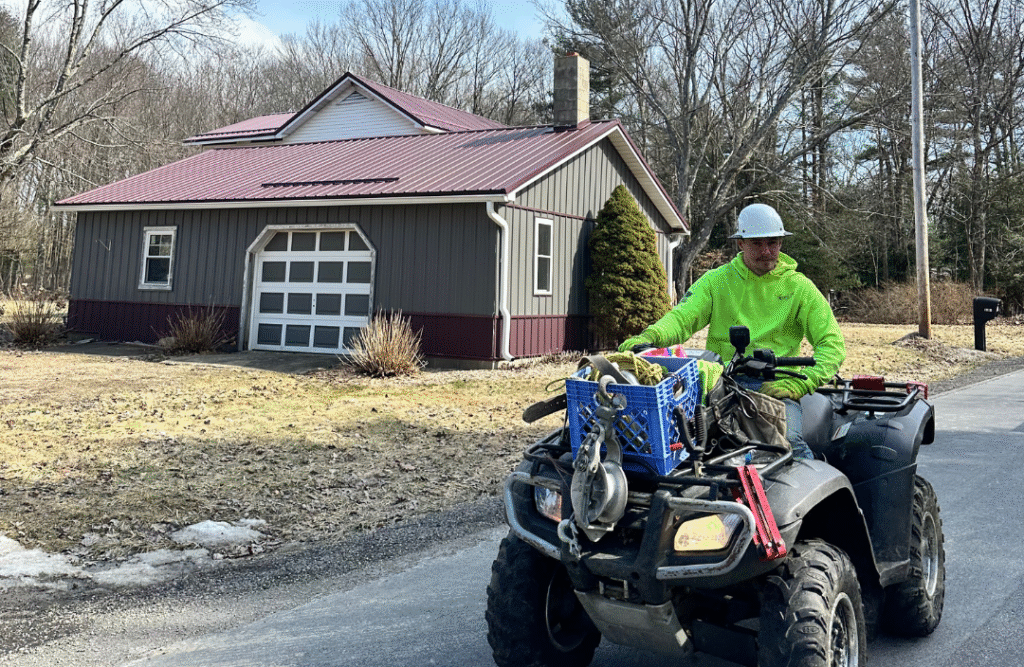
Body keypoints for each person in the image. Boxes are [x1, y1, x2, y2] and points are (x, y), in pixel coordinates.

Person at [618, 203, 845, 459]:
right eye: (757, 243)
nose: (766, 251)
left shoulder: (800, 288)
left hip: (775, 387)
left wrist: (802, 382)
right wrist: (648, 338)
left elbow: (832, 344)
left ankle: (808, 479)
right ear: (740, 244)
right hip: (720, 382)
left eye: (773, 242)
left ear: (781, 242)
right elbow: (682, 319)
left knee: (788, 446)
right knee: (681, 443)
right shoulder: (717, 281)